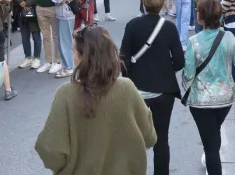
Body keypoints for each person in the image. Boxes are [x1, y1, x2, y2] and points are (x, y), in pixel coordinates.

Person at [36, 26, 157, 174]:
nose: (72, 56)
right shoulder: (127, 89)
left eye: (74, 51)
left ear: (82, 57)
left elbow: (51, 151)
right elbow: (149, 137)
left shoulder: (66, 94)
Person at [119, 0, 184, 175]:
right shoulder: (169, 27)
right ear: (163, 3)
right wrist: (165, 71)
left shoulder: (132, 25)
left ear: (143, 3)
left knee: (134, 138)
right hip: (164, 90)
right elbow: (179, 60)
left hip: (137, 90)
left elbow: (123, 58)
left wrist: (130, 78)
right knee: (161, 139)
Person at [184, 0, 235, 175]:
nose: (196, 13)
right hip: (225, 98)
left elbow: (188, 75)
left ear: (202, 17)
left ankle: (211, 163)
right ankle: (209, 158)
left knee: (210, 144)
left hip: (201, 101)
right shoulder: (229, 37)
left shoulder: (194, 42)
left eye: (197, 11)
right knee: (213, 134)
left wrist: (186, 87)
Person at [51, 0, 80, 79]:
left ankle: (69, 67)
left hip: (64, 14)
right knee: (64, 41)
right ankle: (67, 66)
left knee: (65, 41)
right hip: (63, 13)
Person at [13, 0, 43, 70]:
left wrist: (27, 3)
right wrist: (21, 2)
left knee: (36, 36)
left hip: (35, 12)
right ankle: (27, 57)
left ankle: (37, 58)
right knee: (24, 37)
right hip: (23, 13)